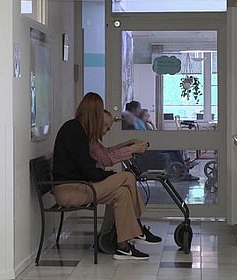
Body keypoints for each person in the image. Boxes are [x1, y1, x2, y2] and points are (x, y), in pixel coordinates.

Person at [52, 93, 160, 260]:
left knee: (122, 193)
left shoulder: (80, 131)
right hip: (70, 190)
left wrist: (111, 175)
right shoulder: (74, 131)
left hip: (80, 186)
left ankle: (122, 247)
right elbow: (91, 171)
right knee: (127, 177)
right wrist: (111, 175)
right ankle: (137, 226)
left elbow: (98, 161)